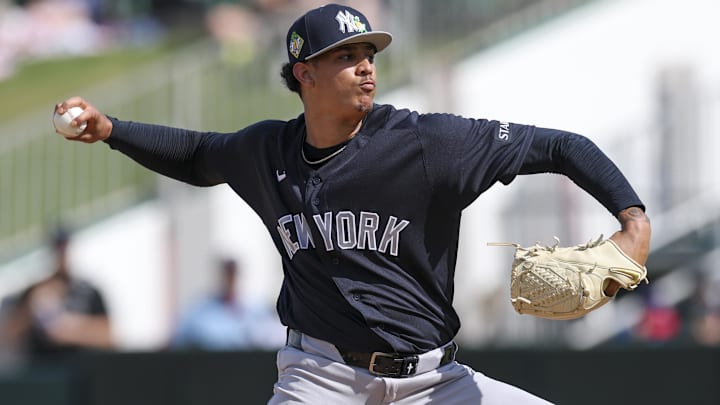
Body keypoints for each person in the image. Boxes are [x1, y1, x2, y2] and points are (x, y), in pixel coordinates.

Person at [53, 3, 651, 403]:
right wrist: (111, 130)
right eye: (345, 56)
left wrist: (632, 220)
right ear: (304, 73)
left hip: (434, 381)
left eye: (368, 54)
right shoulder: (267, 150)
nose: (365, 66)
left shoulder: (427, 143)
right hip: (320, 378)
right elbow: (196, 154)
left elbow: (559, 145)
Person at [0, 227, 114, 359]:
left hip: (80, 368)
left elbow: (109, 336)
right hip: (42, 370)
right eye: (57, 249)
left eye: (64, 249)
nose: (60, 255)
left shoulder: (88, 292)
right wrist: (31, 310)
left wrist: (68, 328)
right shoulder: (33, 291)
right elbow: (6, 336)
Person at [171, 257, 285, 351]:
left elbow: (272, 336)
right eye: (227, 274)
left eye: (232, 274)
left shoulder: (256, 307)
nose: (230, 279)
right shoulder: (202, 309)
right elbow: (184, 336)